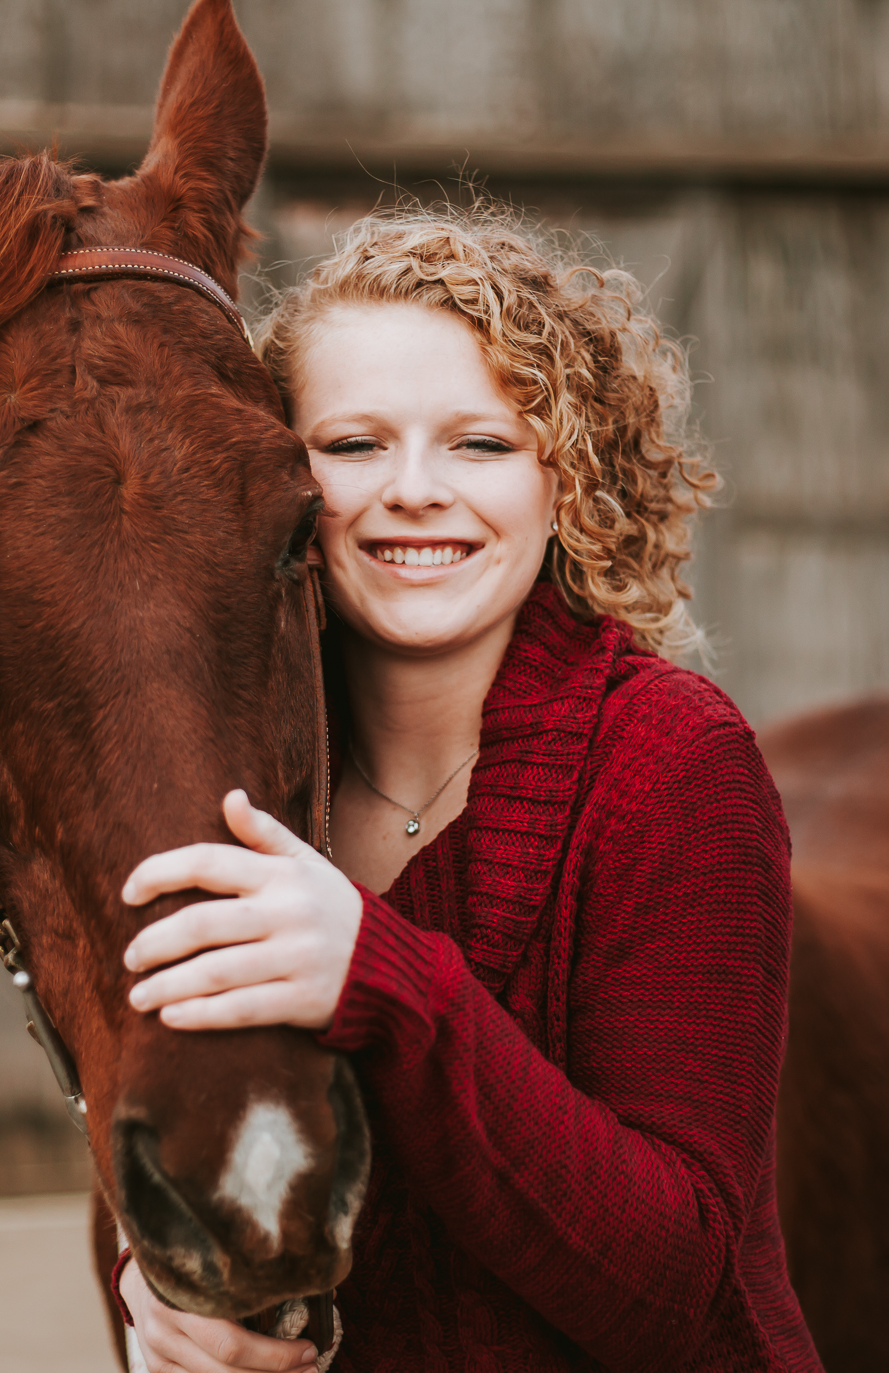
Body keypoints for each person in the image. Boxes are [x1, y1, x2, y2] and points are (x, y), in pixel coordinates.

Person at [110, 204, 823, 1373]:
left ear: (569, 479)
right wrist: (172, 1302)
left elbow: (677, 1279)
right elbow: (164, 1127)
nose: (415, 490)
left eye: (481, 444)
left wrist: (378, 981)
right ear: (282, 480)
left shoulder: (675, 764)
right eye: (351, 446)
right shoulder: (232, 783)